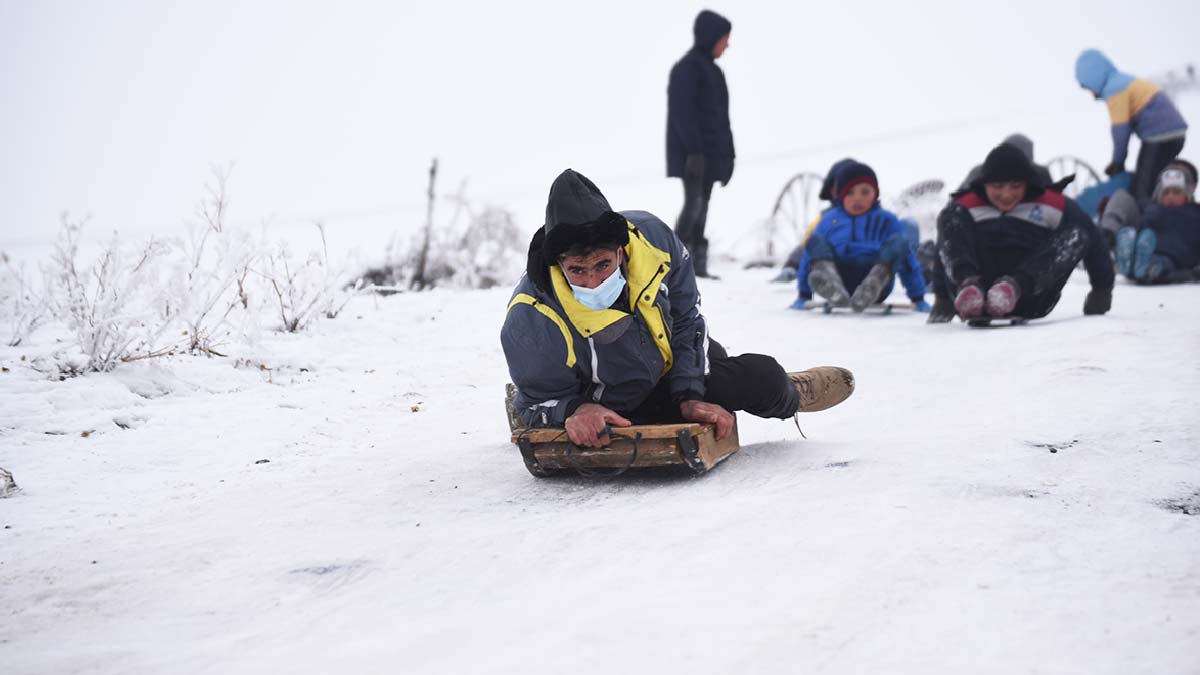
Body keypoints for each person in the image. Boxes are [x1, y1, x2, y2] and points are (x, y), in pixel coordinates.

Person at [501, 169, 854, 447]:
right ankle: (532, 398)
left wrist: (688, 393)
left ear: (621, 252)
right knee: (580, 426)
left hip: (668, 368)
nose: (592, 281)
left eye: (603, 265)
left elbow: (686, 319)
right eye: (578, 270)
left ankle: (792, 391)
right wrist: (573, 410)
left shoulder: (656, 242)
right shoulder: (531, 316)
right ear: (559, 264)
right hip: (607, 401)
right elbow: (545, 405)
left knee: (762, 378)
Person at [929, 143, 1114, 323]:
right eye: (998, 186)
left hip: (1031, 294)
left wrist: (1102, 289)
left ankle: (1011, 289)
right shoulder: (966, 206)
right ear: (984, 183)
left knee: (1077, 233)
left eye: (1015, 186)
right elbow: (946, 246)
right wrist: (942, 297)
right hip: (975, 290)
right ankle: (969, 287)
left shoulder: (1052, 204)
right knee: (950, 217)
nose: (1007, 194)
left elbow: (1092, 237)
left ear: (1027, 183)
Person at [790, 161, 929, 312]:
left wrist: (918, 298)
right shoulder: (829, 220)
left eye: (865, 192)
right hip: (840, 275)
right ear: (840, 196)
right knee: (815, 241)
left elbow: (907, 260)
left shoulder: (887, 219)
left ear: (875, 193)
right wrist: (803, 295)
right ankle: (830, 282)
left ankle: (875, 281)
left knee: (899, 242)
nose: (857, 198)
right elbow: (807, 258)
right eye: (850, 193)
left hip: (876, 280)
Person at [666, 9, 735, 279]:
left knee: (703, 203)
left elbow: (722, 120)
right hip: (692, 154)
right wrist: (693, 150)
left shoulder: (715, 72)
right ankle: (675, 264)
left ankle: (697, 266)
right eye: (724, 38)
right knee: (693, 203)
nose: (727, 45)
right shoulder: (687, 68)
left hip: (711, 155)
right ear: (711, 37)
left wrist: (729, 157)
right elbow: (682, 112)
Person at [1075, 49, 1188, 204]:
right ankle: (1162, 208)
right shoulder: (1123, 81)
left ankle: (1145, 221)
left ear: (1093, 78)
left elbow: (1120, 130)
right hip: (1174, 133)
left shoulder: (1114, 89)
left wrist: (1117, 162)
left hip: (1160, 135)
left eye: (1088, 87)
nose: (1091, 92)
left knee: (1142, 189)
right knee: (1151, 179)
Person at [1115, 164, 1200, 284]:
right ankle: (1129, 257)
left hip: (1174, 257)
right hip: (1150, 246)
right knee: (1143, 241)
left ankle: (1145, 266)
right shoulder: (1152, 210)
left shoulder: (1195, 213)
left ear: (1187, 195)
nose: (1170, 196)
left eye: (1176, 192)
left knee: (1159, 263)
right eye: (1166, 192)